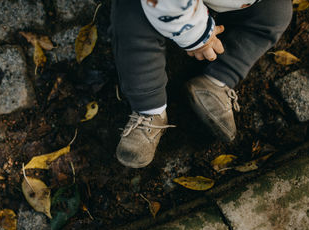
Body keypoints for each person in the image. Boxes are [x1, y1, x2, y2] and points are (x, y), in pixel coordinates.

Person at [110, 0, 292, 168]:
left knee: (276, 13)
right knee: (131, 18)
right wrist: (197, 35)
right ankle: (149, 109)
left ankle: (218, 80)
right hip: (162, 6)